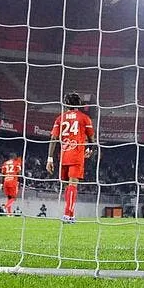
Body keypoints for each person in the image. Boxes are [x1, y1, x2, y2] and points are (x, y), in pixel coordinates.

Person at [46, 92, 95, 223]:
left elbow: (53, 138)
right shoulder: (85, 118)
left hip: (63, 155)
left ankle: (69, 214)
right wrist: (91, 149)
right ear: (79, 104)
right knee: (73, 185)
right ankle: (68, 215)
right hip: (77, 155)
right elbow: (91, 138)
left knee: (68, 186)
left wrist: (49, 158)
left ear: (66, 103)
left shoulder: (59, 118)